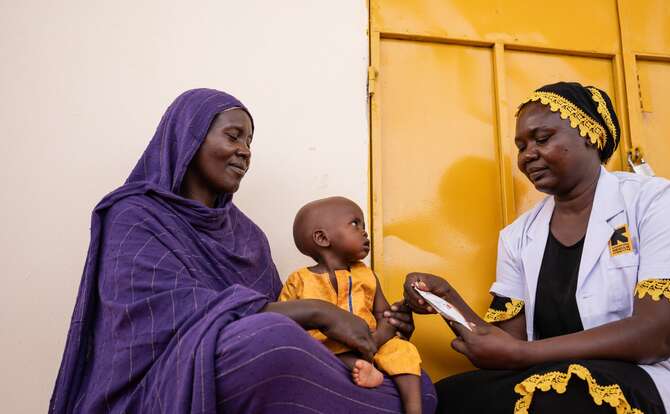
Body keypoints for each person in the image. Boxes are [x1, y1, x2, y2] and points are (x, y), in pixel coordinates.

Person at [49, 88, 437, 413]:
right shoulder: (135, 214)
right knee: (266, 342)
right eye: (233, 136)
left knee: (415, 379)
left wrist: (383, 331)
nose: (245, 151)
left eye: (249, 142)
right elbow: (160, 319)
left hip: (263, 367)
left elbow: (284, 325)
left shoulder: (247, 236)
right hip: (169, 373)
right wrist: (318, 310)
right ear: (189, 137)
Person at [403, 82, 670, 413]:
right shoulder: (518, 236)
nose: (527, 154)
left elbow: (658, 335)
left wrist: (524, 355)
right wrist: (448, 299)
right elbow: (508, 346)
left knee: (557, 398)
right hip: (559, 380)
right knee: (445, 396)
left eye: (542, 139)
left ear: (590, 134)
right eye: (521, 146)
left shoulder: (656, 201)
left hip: (656, 381)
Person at [280, 196, 423, 414]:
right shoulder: (299, 279)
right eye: (355, 223)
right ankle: (365, 369)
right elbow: (284, 323)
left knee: (404, 350)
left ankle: (414, 409)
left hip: (372, 342)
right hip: (326, 346)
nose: (364, 231)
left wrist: (390, 323)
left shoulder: (365, 275)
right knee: (325, 350)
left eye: (364, 225)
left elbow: (383, 314)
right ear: (322, 238)